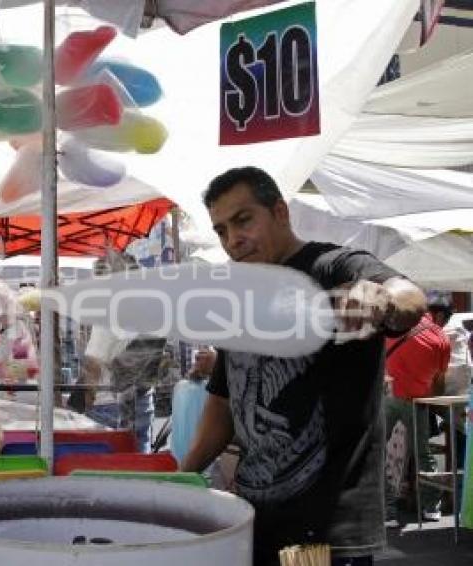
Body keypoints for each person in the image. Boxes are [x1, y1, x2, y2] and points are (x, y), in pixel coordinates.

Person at [180, 167, 425, 565]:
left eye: (243, 220)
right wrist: (181, 476)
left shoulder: (334, 265)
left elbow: (407, 296)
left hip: (325, 536)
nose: (232, 240)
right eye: (221, 230)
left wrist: (382, 301)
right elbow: (223, 402)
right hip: (252, 521)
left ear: (280, 212)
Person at [77, 252, 165, 453]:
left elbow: (94, 363)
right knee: (138, 460)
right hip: (143, 403)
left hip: (110, 406)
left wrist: (83, 400)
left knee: (112, 467)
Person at [383, 307, 450, 526]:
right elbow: (439, 378)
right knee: (424, 454)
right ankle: (431, 507)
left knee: (376, 453)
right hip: (418, 401)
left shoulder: (391, 326)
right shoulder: (439, 336)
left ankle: (387, 512)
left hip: (389, 396)